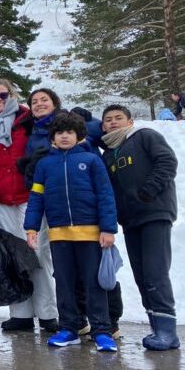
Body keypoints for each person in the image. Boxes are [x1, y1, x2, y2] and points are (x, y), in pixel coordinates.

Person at [24, 113, 118, 352]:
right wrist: (31, 227)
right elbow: (36, 198)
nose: (64, 136)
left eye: (69, 132)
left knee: (93, 284)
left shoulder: (92, 160)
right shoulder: (44, 165)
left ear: (79, 136)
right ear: (53, 137)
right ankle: (69, 328)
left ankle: (101, 331)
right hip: (59, 235)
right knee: (64, 284)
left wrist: (108, 228)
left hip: (90, 234)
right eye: (59, 133)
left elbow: (105, 195)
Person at [0, 79, 58, 332]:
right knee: (13, 257)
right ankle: (21, 314)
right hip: (1, 200)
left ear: (11, 94)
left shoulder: (27, 119)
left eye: (3, 94)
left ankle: (47, 314)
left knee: (38, 254)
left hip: (29, 197)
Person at [100, 104, 180, 351]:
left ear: (130, 121)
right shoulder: (109, 154)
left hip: (154, 213)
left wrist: (149, 191)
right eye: (108, 120)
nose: (113, 123)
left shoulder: (145, 136)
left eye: (118, 118)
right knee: (141, 275)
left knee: (155, 272)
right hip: (130, 220)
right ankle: (157, 328)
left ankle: (168, 332)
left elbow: (167, 161)